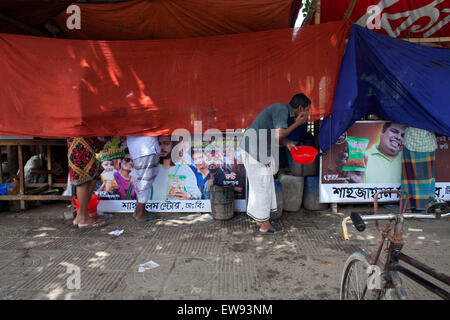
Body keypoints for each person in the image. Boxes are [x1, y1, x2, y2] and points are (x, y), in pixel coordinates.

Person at [239, 93, 311, 235]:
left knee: (262, 185)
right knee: (262, 186)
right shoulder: (282, 110)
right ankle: (264, 226)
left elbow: (273, 134)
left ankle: (261, 219)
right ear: (300, 108)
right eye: (307, 109)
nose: (308, 113)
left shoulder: (284, 111)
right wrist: (298, 123)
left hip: (255, 149)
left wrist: (286, 143)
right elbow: (278, 134)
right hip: (254, 149)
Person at [335, 122, 406, 183]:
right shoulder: (361, 159)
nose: (398, 137)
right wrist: (357, 183)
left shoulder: (409, 158)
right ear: (381, 133)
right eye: (394, 131)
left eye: (403, 135)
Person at [68, 137, 107, 230]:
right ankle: (83, 218)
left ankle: (80, 216)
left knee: (91, 176)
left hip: (83, 138)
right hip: (80, 138)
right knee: (84, 178)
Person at [150, 136, 201, 200]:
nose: (162, 147)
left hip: (175, 209)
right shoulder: (151, 169)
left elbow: (196, 195)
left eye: (166, 144)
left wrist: (189, 197)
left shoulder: (183, 169)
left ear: (174, 145)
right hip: (153, 209)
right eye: (159, 144)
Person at [400, 127, 438, 213]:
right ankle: (423, 208)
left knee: (408, 179)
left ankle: (408, 207)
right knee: (425, 180)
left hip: (412, 142)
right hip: (425, 144)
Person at [126, 136, 160, 222]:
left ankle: (139, 210)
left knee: (143, 179)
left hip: (144, 146)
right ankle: (140, 213)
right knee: (145, 180)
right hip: (144, 147)